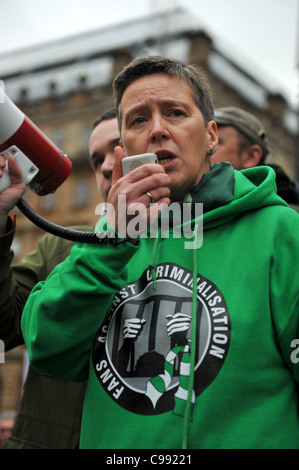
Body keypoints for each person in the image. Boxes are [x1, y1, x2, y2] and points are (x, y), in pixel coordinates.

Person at [21, 56, 299, 450]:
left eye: (175, 113)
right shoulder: (105, 239)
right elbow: (48, 347)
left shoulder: (281, 232)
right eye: (137, 120)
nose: (157, 130)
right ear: (124, 150)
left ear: (211, 136)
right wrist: (113, 238)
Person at [0, 108, 119, 449]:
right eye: (96, 161)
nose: (107, 166)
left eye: (119, 147)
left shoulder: (193, 244)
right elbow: (5, 324)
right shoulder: (62, 243)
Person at [212, 106, 299, 208]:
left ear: (251, 157)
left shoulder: (283, 219)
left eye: (216, 142)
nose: (203, 148)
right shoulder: (193, 203)